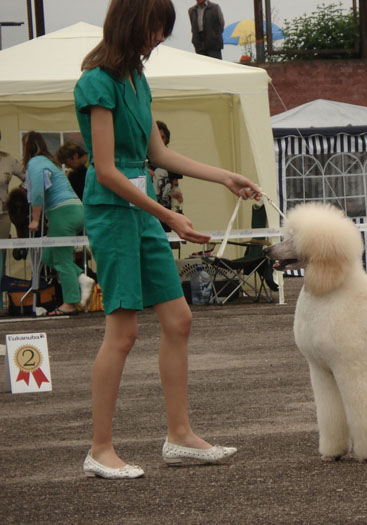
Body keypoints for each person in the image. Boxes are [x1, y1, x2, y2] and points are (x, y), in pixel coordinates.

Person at [74, 0, 261, 479]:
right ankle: (100, 449)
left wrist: (224, 176)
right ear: (133, 22)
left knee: (178, 319)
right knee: (123, 332)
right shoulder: (96, 81)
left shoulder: (137, 79)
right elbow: (106, 170)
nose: (160, 37)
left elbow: (157, 153)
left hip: (140, 211)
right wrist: (169, 217)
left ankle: (179, 436)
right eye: (157, 27)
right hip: (113, 212)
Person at [23, 131, 95, 315]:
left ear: (26, 148)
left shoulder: (35, 163)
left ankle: (70, 303)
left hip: (62, 213)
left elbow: (37, 191)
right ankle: (82, 277)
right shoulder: (48, 162)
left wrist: (36, 219)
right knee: (48, 257)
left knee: (62, 260)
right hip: (74, 210)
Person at [0, 131, 26, 310]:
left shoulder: (9, 160)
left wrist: (20, 197)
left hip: (3, 215)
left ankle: (1, 303)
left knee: (0, 258)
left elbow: (28, 178)